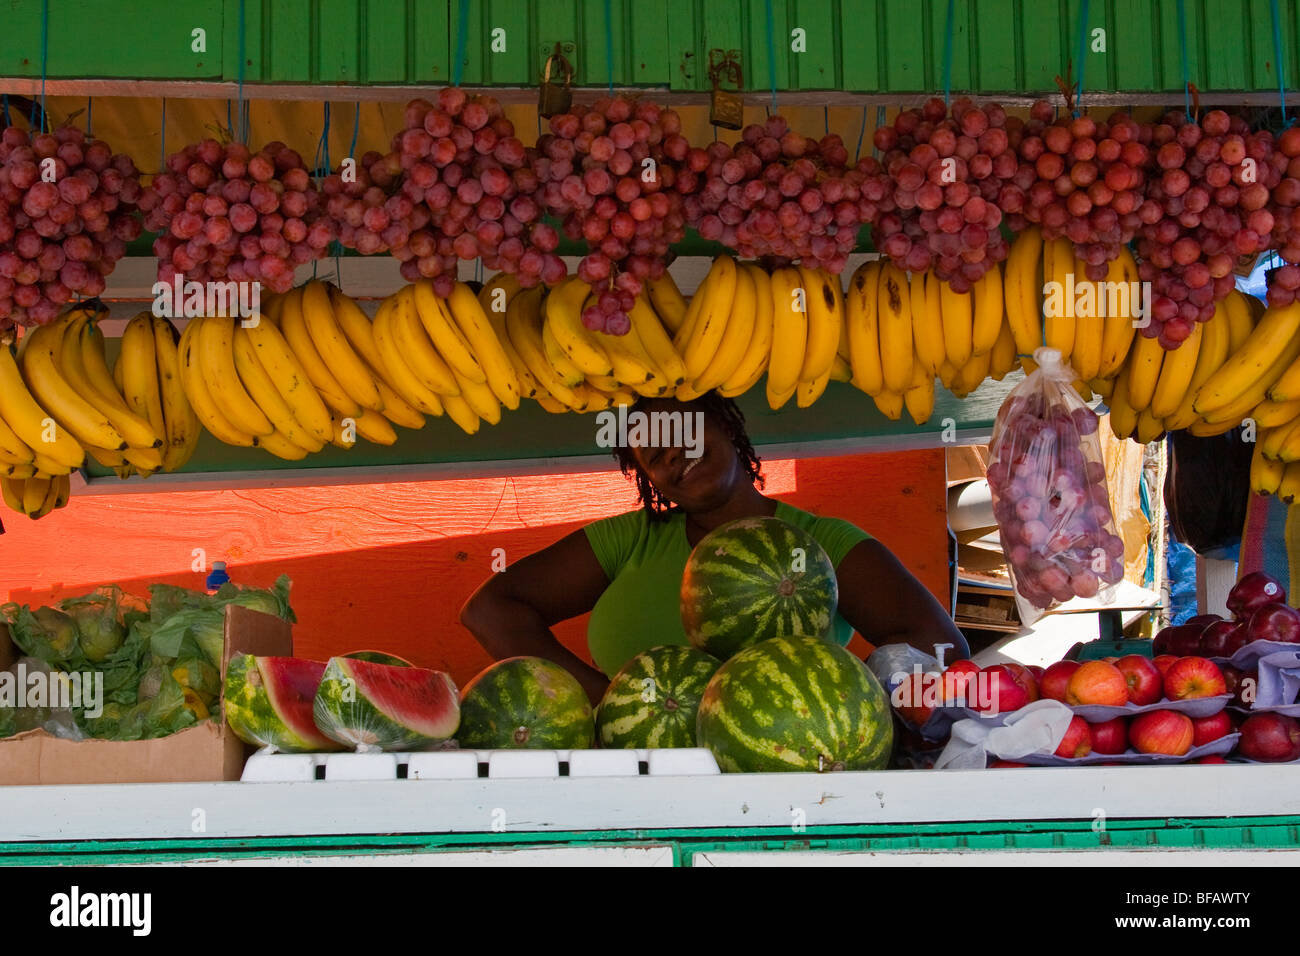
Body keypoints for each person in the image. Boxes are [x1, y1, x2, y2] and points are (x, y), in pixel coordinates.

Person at [460, 392, 970, 704]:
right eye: (655, 455)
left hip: (790, 772)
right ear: (649, 479)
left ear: (725, 426)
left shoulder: (821, 542)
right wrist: (601, 700)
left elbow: (943, 650)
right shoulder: (627, 540)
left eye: (686, 431)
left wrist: (837, 692)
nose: (676, 454)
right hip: (642, 774)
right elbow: (489, 609)